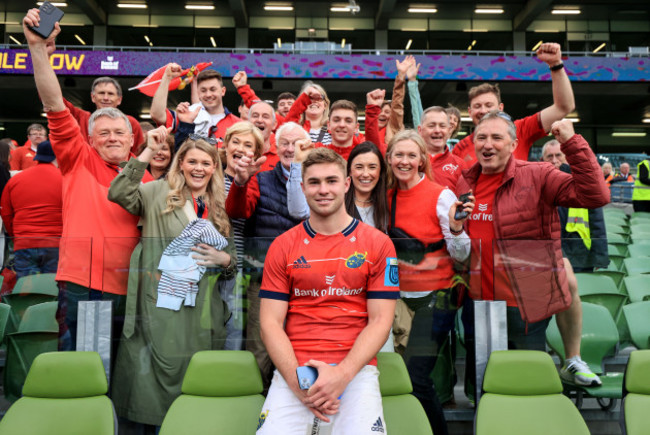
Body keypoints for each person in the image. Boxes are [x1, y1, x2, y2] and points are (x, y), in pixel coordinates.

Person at [22, 9, 154, 347]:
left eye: (119, 132)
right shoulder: (77, 157)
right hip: (85, 285)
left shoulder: (147, 176)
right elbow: (53, 102)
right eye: (103, 133)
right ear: (90, 139)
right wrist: (37, 49)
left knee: (123, 370)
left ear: (131, 138)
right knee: (84, 366)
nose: (112, 138)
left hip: (135, 287)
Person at [455, 113, 609, 398]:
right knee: (482, 390)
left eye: (497, 137)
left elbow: (595, 196)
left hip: (524, 308)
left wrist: (572, 144)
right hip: (478, 305)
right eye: (481, 137)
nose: (488, 144)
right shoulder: (463, 181)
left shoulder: (539, 174)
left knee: (525, 390)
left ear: (514, 144)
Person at [257, 147, 399, 434]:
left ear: (346, 184)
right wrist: (299, 385)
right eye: (314, 182)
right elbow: (270, 323)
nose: (323, 190)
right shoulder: (282, 246)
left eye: (332, 181)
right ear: (303, 188)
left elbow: (381, 321)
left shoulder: (379, 244)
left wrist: (342, 375)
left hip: (356, 371)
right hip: (295, 370)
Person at [108, 128, 234, 427]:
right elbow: (118, 192)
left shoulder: (217, 206)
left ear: (214, 168)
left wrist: (225, 259)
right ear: (180, 164)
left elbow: (233, 264)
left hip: (202, 308)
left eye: (206, 163)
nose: (199, 168)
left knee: (195, 376)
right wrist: (148, 152)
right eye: (192, 162)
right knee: (156, 383)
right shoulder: (157, 192)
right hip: (161, 305)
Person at [385, 129, 472, 435]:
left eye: (412, 155)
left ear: (422, 159)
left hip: (437, 295)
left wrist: (457, 228)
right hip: (396, 298)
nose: (405, 161)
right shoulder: (385, 197)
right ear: (390, 159)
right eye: (399, 155)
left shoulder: (440, 194)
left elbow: (462, 252)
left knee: (415, 376)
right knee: (394, 375)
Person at [225, 121, 306, 387]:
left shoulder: (316, 180)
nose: (291, 148)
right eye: (285, 142)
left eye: (297, 143)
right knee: (260, 350)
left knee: (301, 350)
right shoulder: (259, 179)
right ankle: (256, 408)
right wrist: (240, 182)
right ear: (275, 146)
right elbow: (238, 212)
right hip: (265, 280)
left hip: (306, 282)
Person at [542, 139, 606, 386]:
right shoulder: (542, 181)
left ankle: (573, 358)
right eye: (549, 156)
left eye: (558, 155)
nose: (555, 160)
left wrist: (599, 256)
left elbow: (597, 219)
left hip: (579, 252)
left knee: (573, 302)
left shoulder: (580, 181)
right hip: (553, 255)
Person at [452, 43, 575, 166]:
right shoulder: (460, 148)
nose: (483, 111)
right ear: (469, 112)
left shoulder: (520, 130)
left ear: (500, 108)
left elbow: (563, 107)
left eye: (489, 105)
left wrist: (556, 65)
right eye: (477, 106)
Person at [1, 140, 62, 278]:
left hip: (24, 241)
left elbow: (6, 213)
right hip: (55, 243)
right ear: (58, 155)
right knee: (52, 290)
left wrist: (16, 236)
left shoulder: (16, 180)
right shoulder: (65, 179)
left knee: (27, 291)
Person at [151, 63, 240, 145]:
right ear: (198, 93)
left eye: (213, 89)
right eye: (203, 90)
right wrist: (167, 77)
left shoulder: (238, 124)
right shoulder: (187, 115)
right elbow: (157, 115)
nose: (208, 95)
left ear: (223, 91)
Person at [418, 106, 465, 189]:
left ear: (448, 130)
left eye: (442, 126)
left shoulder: (460, 165)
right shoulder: (409, 161)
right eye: (431, 126)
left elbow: (464, 198)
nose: (437, 130)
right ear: (420, 130)